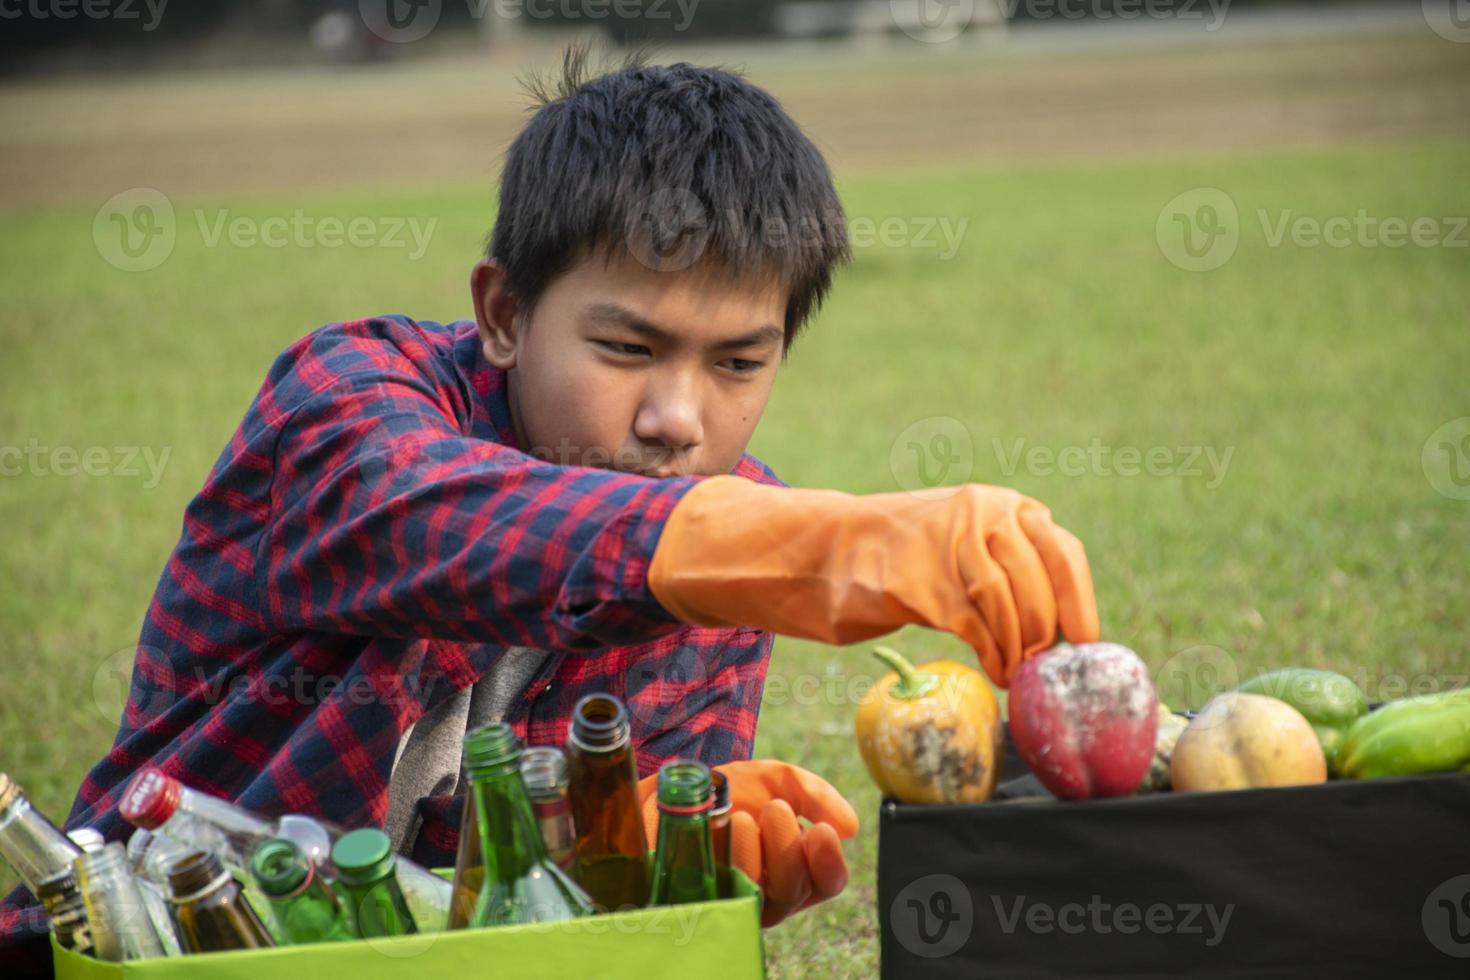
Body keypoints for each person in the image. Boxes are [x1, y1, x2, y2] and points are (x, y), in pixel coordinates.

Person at [0, 47, 1097, 968]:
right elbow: (451, 523)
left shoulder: (733, 550)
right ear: (505, 311)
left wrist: (676, 868)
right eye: (627, 347)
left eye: (739, 362)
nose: (678, 416)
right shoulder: (343, 403)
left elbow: (541, 919)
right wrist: (829, 540)